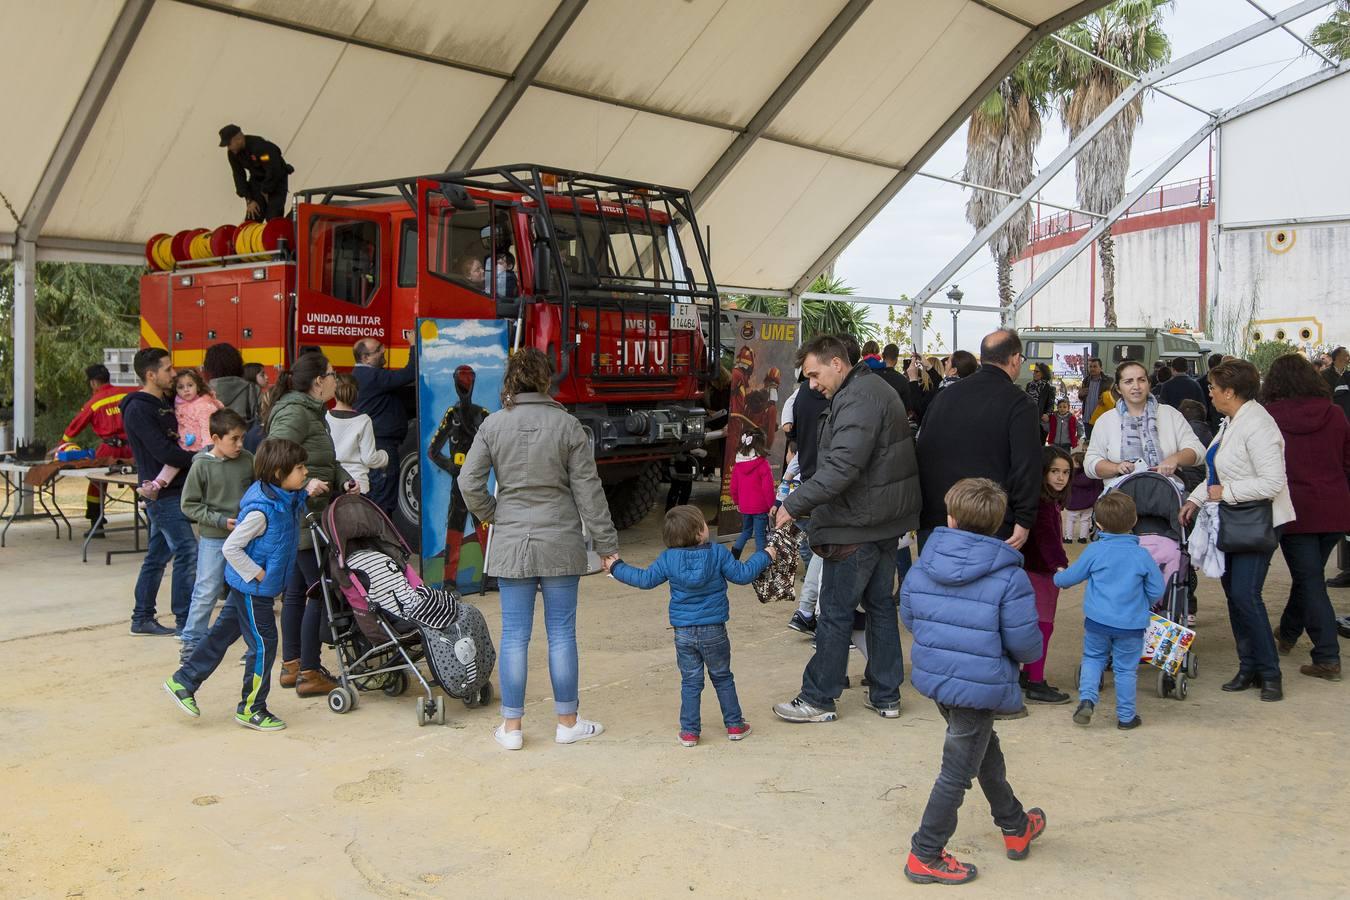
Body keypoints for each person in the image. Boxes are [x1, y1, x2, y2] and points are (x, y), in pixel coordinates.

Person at [458, 348, 619, 751]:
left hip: (512, 542)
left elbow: (467, 482)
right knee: (562, 633)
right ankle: (567, 723)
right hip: (560, 540)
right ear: (546, 380)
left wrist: (494, 514)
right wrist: (606, 545)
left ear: (510, 381)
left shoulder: (493, 426)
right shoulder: (568, 426)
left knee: (514, 635)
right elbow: (589, 491)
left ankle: (511, 729)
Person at [899, 478, 1046, 885]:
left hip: (938, 678)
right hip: (979, 684)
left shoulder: (923, 562)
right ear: (999, 524)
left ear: (950, 517)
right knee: (957, 772)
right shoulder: (1008, 576)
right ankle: (925, 852)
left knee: (982, 749)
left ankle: (1015, 825)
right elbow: (1026, 644)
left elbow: (909, 616)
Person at [771, 334, 920, 724]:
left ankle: (818, 697)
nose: (812, 384)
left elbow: (841, 469)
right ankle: (886, 695)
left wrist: (792, 504)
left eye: (815, 374)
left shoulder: (858, 398)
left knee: (835, 613)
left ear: (837, 363)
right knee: (880, 608)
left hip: (857, 525)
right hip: (881, 521)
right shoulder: (871, 390)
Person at [163, 438, 327, 733]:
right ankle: (252, 708)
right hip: (253, 590)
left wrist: (310, 485)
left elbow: (298, 495)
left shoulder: (283, 497)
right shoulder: (260, 512)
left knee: (219, 637)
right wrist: (258, 574)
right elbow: (231, 548)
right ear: (279, 473)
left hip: (249, 587)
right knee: (264, 645)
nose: (305, 471)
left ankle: (183, 681)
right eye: (300, 467)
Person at [608, 505, 773, 747]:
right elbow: (743, 574)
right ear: (699, 533)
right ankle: (735, 725)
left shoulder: (668, 558)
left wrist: (616, 566)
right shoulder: (717, 553)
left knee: (691, 681)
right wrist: (766, 554)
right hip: (714, 630)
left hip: (683, 633)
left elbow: (644, 580)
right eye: (704, 524)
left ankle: (689, 731)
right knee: (723, 677)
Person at [1179, 359, 1294, 702]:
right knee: (1236, 597)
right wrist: (1197, 500)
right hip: (1235, 521)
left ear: (1230, 391)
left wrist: (1223, 494)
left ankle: (1270, 672)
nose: (1210, 393)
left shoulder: (1258, 425)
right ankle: (1249, 667)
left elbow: (1273, 482)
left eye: (1214, 387)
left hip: (1256, 522)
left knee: (1246, 596)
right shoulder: (1232, 421)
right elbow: (1215, 470)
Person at [266, 352, 355, 698]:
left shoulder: (311, 413)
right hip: (302, 516)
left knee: (297, 592)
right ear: (319, 381)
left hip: (310, 514)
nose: (337, 380)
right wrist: (303, 486)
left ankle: (292, 666)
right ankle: (309, 670)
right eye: (333, 374)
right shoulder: (295, 413)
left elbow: (323, 462)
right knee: (317, 590)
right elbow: (273, 459)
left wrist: (343, 479)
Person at [1261, 354, 1348, 681]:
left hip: (1294, 509)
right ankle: (1288, 632)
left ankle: (1327, 656)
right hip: (1335, 507)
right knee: (1309, 576)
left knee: (1310, 579)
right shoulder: (1336, 414)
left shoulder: (1269, 417)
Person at [916, 330, 1041, 549]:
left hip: (939, 519)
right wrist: (1024, 519)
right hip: (992, 523)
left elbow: (923, 449)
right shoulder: (1020, 403)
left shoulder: (945, 396)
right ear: (1014, 359)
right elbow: (1027, 465)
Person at [1057, 492, 1164, 729]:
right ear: (1135, 520)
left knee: (1093, 659)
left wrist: (1058, 575)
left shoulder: (1095, 551)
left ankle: (1087, 700)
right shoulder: (1141, 555)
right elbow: (1157, 587)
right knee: (1126, 670)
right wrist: (1143, 602)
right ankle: (1126, 718)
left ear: (1098, 523)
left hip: (1098, 620)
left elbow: (1069, 578)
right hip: (1131, 623)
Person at [121, 349, 199, 636]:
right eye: (167, 369)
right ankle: (185, 622)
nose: (174, 374)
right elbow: (163, 450)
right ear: (151, 375)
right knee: (187, 550)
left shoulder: (166, 402)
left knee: (157, 555)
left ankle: (141, 617)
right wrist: (203, 458)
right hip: (162, 494)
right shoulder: (139, 409)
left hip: (176, 489)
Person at [178, 408, 254, 664]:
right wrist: (220, 521)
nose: (240, 444)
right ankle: (191, 644)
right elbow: (189, 505)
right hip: (214, 538)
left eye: (242, 438)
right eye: (234, 439)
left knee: (246, 591)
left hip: (245, 539)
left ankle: (251, 644)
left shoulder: (248, 460)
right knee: (206, 589)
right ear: (215, 437)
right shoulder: (201, 466)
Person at [1083, 360, 1205, 489]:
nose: (1136, 386)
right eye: (1128, 381)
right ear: (1118, 388)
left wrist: (1175, 459)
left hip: (1166, 497)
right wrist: (1116, 467)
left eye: (1141, 380)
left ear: (1149, 384)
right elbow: (1090, 464)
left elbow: (1199, 451)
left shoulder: (1170, 414)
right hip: (1121, 501)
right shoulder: (1106, 421)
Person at [428, 364, 492, 582]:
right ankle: (449, 581)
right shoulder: (453, 414)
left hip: (474, 480)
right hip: (460, 482)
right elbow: (433, 451)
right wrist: (452, 467)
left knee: (483, 524)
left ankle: (490, 574)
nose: (465, 386)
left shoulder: (481, 414)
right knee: (457, 527)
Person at [1020, 447, 1073, 704]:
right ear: (1043, 472)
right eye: (1054, 471)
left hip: (1036, 571)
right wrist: (1060, 566)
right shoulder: (1043, 505)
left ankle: (1028, 672)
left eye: (1065, 472)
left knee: (1034, 625)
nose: (1061, 477)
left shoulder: (1046, 501)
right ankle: (1035, 681)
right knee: (1044, 627)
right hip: (1041, 573)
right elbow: (1047, 540)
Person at [59, 363, 133, 537]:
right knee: (142, 483)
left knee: (96, 485)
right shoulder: (127, 393)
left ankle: (97, 525)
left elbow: (75, 426)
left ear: (93, 383)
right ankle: (154, 521)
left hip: (108, 450)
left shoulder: (94, 403)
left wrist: (62, 444)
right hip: (132, 448)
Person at [351, 337, 416, 515]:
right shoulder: (371, 376)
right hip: (382, 446)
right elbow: (410, 373)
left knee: (377, 496)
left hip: (376, 443)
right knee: (383, 502)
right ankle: (381, 539)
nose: (383, 350)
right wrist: (413, 344)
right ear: (365, 358)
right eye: (378, 349)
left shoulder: (363, 376)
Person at [327, 373, 388, 495]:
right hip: (358, 486)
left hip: (333, 484)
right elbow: (369, 459)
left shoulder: (325, 417)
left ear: (334, 393)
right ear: (357, 395)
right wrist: (385, 456)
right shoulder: (364, 420)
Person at [220, 124, 293, 221]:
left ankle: (293, 219)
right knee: (253, 216)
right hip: (257, 180)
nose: (228, 148)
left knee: (273, 217)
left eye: (229, 144)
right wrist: (249, 199)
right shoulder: (232, 154)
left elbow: (273, 167)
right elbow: (238, 176)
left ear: (239, 138)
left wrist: (267, 190)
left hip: (276, 178)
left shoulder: (259, 147)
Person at [728, 429, 774, 559]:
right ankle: (760, 564)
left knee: (746, 532)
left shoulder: (738, 464)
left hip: (745, 506)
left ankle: (734, 557)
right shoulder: (763, 464)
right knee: (760, 536)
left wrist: (736, 502)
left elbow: (733, 486)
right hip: (760, 508)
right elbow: (768, 488)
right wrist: (772, 506)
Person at [203, 343, 261, 429]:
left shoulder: (202, 392)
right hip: (244, 439)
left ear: (209, 367)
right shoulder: (252, 389)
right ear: (238, 363)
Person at [174, 369, 223, 451]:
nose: (186, 389)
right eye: (181, 387)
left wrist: (207, 450)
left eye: (190, 385)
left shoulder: (203, 406)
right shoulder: (178, 403)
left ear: (198, 386)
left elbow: (207, 429)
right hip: (184, 448)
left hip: (201, 449)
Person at [1063, 450, 1100, 544]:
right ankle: (1083, 537)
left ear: (1078, 463)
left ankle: (1068, 538)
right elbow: (1097, 487)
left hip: (1073, 503)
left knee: (1070, 520)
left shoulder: (1072, 475)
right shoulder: (1092, 474)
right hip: (1088, 504)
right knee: (1085, 520)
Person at [1076, 358, 1114, 440]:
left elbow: (1114, 398)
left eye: (1095, 366)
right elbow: (1082, 398)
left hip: (1102, 419)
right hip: (1087, 419)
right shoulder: (1086, 380)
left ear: (1101, 368)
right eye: (1090, 367)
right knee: (1090, 444)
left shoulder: (1109, 381)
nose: (1092, 369)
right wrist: (1080, 395)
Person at [1026, 363, 1056, 439]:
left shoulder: (1049, 388)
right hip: (1028, 419)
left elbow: (1051, 404)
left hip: (1040, 421)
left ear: (1043, 373)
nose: (1034, 373)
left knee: (1039, 445)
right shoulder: (1029, 385)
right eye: (1034, 371)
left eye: (1037, 371)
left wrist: (1047, 414)